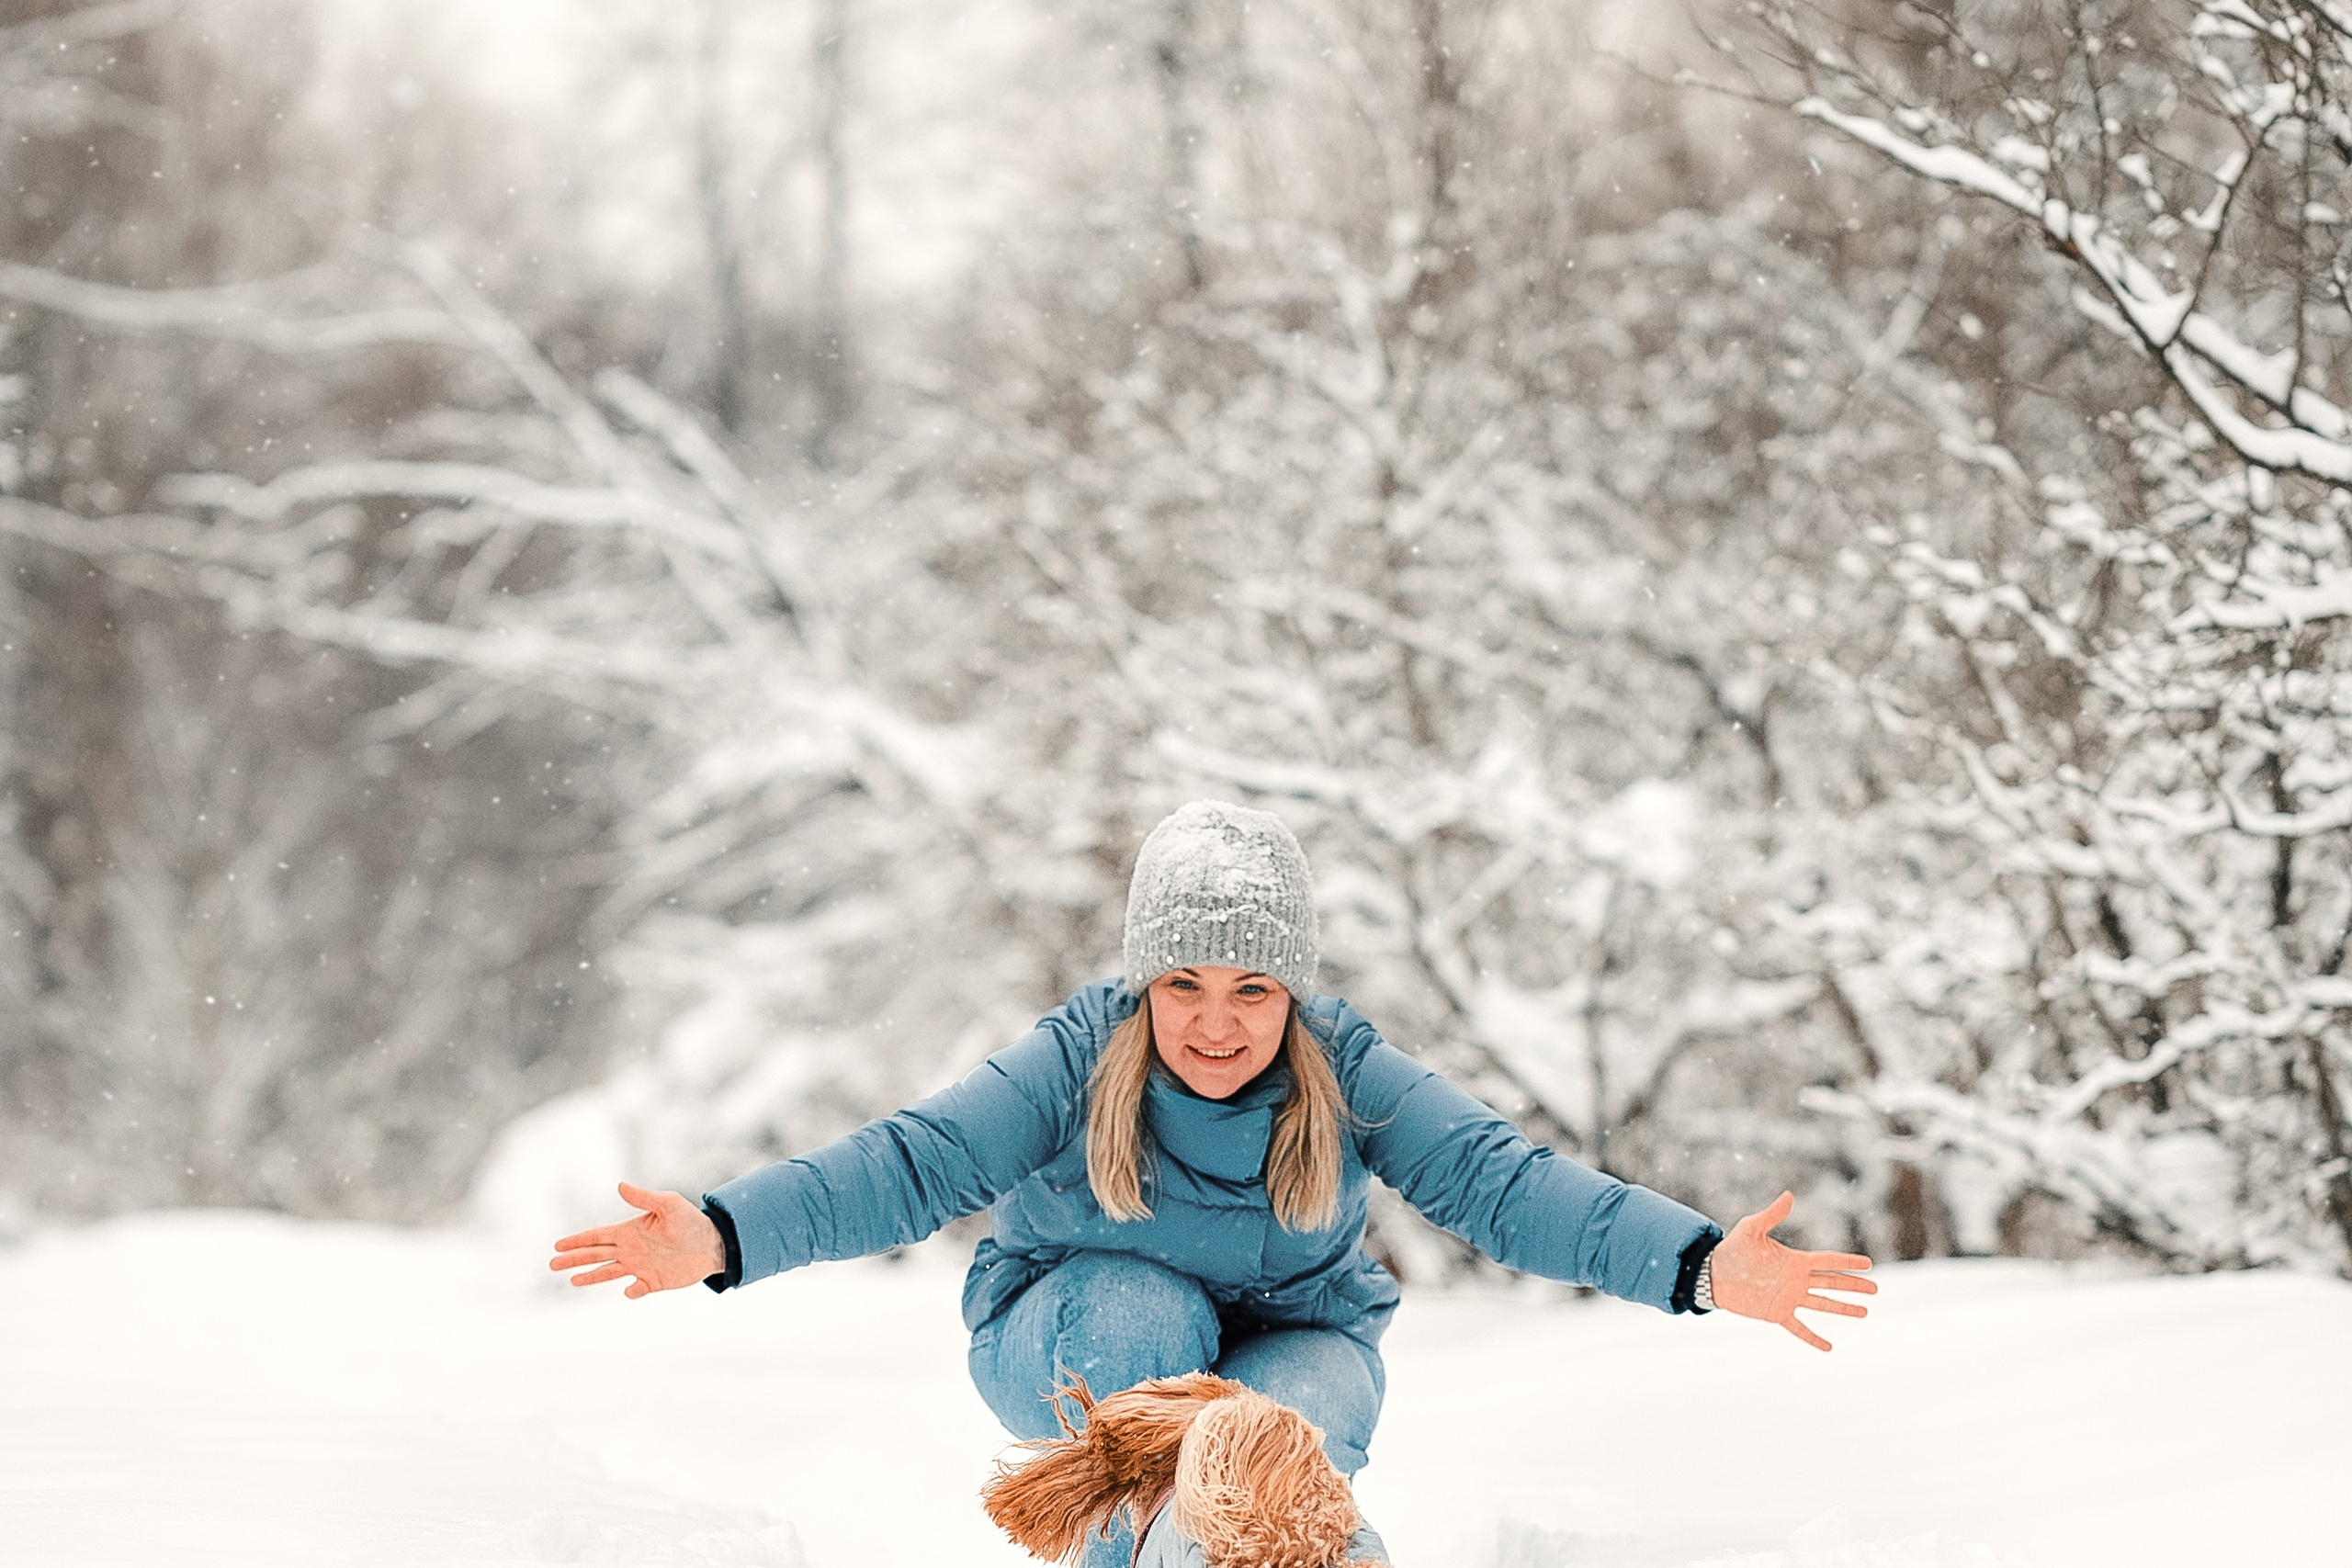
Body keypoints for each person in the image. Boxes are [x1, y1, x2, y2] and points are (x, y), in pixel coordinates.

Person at [550, 801, 1876, 1567]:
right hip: (1071, 1322)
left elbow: (1503, 1182)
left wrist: (1703, 1264)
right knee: (1146, 1330)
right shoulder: (1077, 1057)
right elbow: (914, 1161)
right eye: (1184, 983)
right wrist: (722, 1233)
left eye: (1252, 989)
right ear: (1145, 984)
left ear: (1292, 992)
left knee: (1266, 1454)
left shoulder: (1344, 1070)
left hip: (1298, 1340)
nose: (1217, 1022)